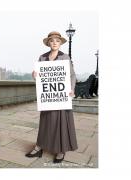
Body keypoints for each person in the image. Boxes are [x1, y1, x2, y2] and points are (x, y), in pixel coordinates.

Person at [25, 31, 78, 163]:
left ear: (60, 43)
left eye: (57, 41)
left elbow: (72, 75)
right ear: (48, 43)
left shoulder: (65, 57)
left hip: (61, 95)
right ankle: (39, 147)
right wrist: (35, 75)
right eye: (52, 41)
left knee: (61, 122)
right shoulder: (42, 57)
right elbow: (41, 77)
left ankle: (61, 150)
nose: (54, 43)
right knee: (45, 121)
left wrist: (71, 89)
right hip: (48, 96)